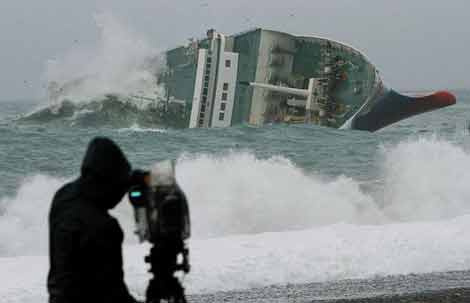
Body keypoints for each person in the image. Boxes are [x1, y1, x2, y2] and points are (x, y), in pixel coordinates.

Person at [48, 137, 139, 303]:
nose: (120, 196)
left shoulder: (63, 197)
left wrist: (130, 179)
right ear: (108, 184)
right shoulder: (104, 227)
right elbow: (115, 295)